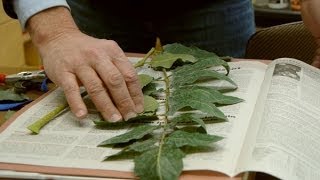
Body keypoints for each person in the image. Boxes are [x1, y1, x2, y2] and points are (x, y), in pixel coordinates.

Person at [3, 0, 301, 123]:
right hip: (99, 5)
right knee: (97, 105)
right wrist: (55, 33)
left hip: (209, 4)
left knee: (229, 107)